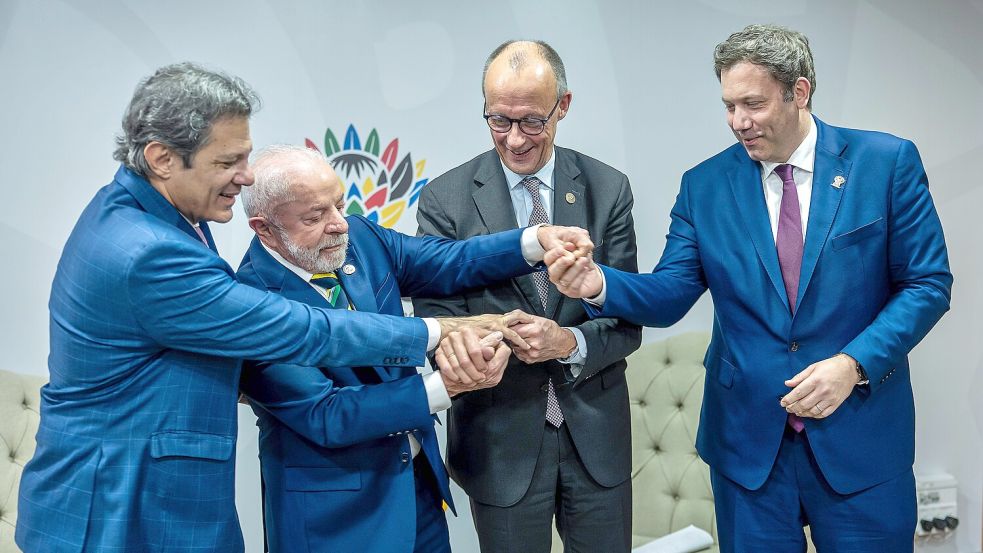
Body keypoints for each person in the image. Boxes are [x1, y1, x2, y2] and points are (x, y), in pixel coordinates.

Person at [16, 63, 591, 553]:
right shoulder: (146, 251)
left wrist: (532, 242)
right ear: (162, 158)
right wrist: (440, 336)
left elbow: (444, 261)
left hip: (165, 493)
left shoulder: (166, 214)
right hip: (121, 505)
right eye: (228, 162)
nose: (243, 177)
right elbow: (302, 332)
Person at [545, 24, 953, 553]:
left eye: (753, 104)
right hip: (749, 452)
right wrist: (598, 283)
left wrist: (853, 364)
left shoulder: (885, 163)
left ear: (799, 92)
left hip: (861, 438)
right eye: (729, 106)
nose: (739, 121)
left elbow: (927, 284)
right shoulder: (704, 185)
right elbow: (670, 293)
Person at [237, 144, 550, 553]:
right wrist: (447, 386)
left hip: (418, 493)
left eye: (339, 205)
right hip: (336, 520)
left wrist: (535, 241)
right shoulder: (249, 303)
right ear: (264, 228)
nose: (339, 225)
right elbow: (329, 415)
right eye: (315, 217)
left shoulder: (360, 237)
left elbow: (448, 261)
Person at [412, 40, 641, 552]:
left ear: (563, 105)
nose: (514, 139)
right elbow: (438, 325)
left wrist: (568, 343)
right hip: (500, 443)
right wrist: (477, 348)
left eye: (532, 121)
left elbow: (627, 321)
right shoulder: (445, 200)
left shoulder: (607, 188)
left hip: (596, 439)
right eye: (499, 120)